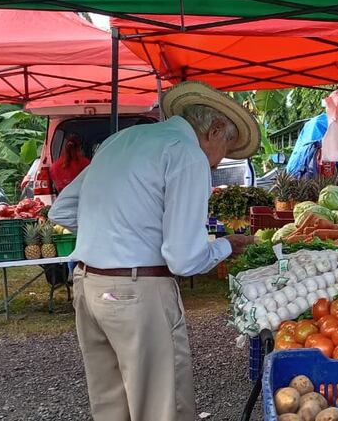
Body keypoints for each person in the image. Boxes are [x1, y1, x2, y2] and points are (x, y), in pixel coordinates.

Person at [49, 81, 259, 421]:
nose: (220, 160)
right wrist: (225, 246)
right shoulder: (186, 153)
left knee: (110, 406)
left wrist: (118, 230)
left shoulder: (121, 140)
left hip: (88, 286)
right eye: (227, 146)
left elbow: (60, 212)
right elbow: (184, 258)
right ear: (215, 129)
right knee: (161, 409)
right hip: (138, 294)